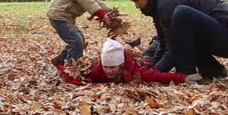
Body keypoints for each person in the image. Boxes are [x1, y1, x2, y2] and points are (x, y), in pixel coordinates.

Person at [124, 0, 228, 79]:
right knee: (183, 29)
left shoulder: (166, 2)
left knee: (181, 14)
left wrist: (157, 73)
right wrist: (154, 65)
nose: (137, 6)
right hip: (220, 35)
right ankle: (212, 70)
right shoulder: (156, 2)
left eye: (137, 0)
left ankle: (187, 72)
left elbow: (173, 47)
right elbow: (164, 41)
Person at [47, 0, 111, 66]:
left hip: (68, 19)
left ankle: (60, 59)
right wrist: (101, 14)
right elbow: (87, 1)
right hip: (59, 17)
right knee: (76, 40)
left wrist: (110, 11)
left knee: (79, 39)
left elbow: (95, 1)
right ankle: (73, 67)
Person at [57, 38, 203, 85]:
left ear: (120, 65)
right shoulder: (98, 70)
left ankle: (158, 41)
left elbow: (157, 76)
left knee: (155, 55)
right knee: (149, 52)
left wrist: (183, 77)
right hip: (133, 58)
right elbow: (77, 77)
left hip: (145, 62)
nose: (109, 71)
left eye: (113, 67)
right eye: (106, 66)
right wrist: (60, 67)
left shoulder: (134, 71)